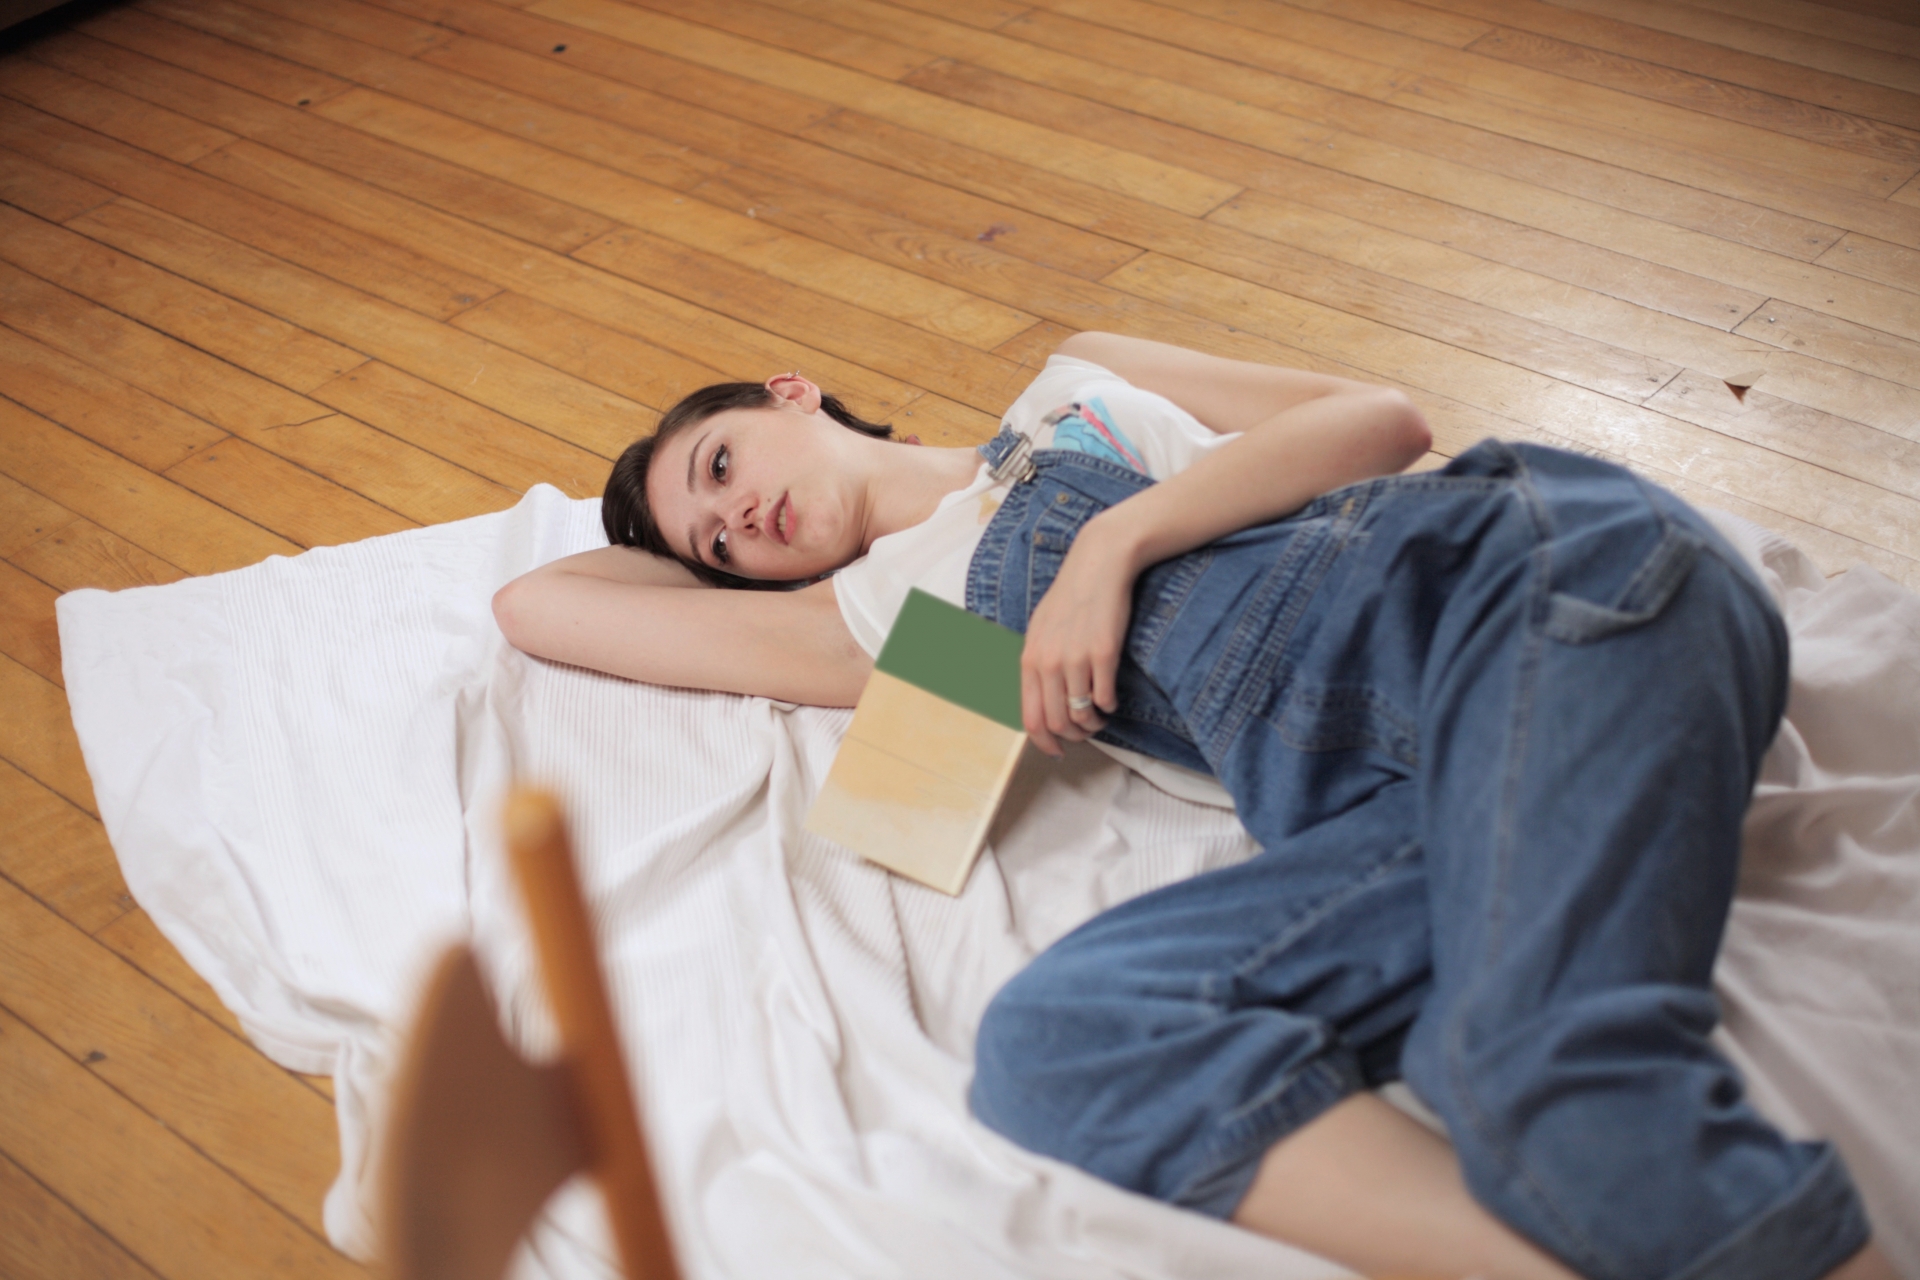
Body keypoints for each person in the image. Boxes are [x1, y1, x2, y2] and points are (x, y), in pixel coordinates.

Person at [493, 333, 1890, 1280]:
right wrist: (678, 549)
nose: (739, 516)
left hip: (1520, 589)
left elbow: (1380, 424)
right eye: (713, 542)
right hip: (1405, 790)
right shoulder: (881, 628)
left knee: (1537, 1069)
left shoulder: (1073, 388)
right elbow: (535, 601)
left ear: (791, 393)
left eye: (721, 465)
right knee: (1058, 1042)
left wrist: (1116, 535)